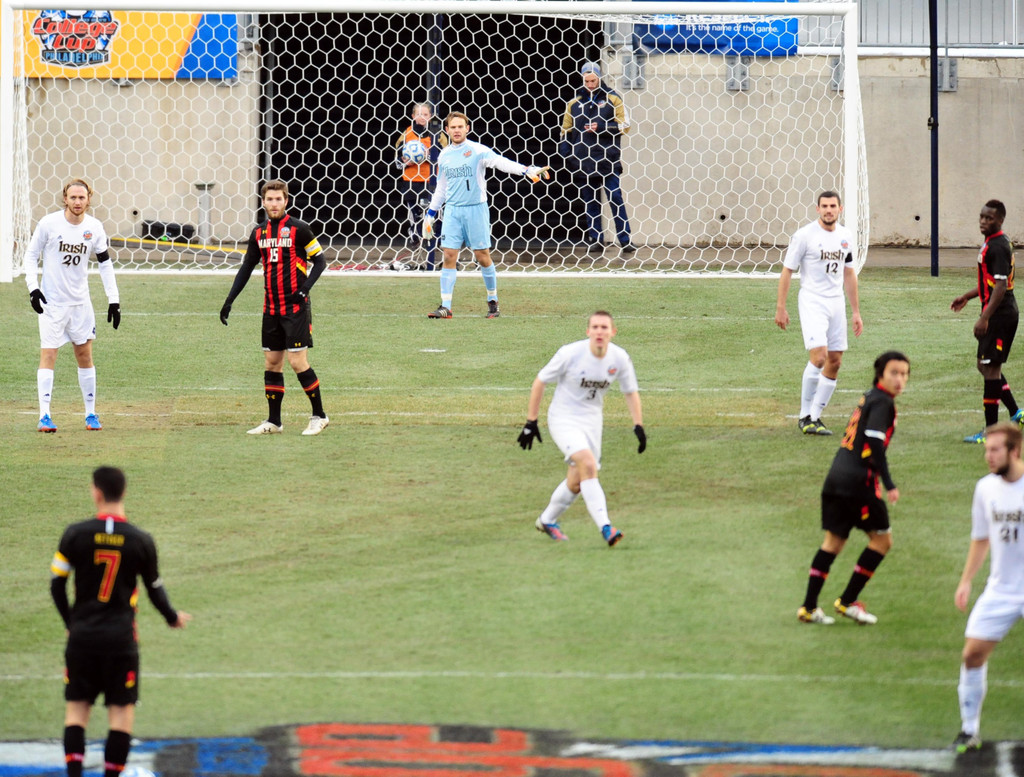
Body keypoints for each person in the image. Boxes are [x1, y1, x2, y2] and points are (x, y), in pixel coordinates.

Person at [49, 466, 190, 777]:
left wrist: (71, 622)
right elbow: (155, 589)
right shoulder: (140, 540)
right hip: (121, 641)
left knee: (76, 711)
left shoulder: (75, 534)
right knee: (121, 715)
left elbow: (56, 584)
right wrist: (172, 617)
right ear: (123, 492)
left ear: (96, 492)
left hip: (83, 638)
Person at [797, 350, 910, 626]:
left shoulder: (868, 397)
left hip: (836, 477)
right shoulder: (883, 402)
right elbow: (873, 446)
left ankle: (809, 608)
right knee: (882, 541)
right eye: (894, 372)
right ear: (880, 373)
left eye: (904, 374)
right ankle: (847, 602)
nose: (899, 379)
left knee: (833, 543)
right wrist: (890, 484)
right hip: (859, 483)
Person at [517, 310, 646, 547]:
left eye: (604, 328)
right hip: (563, 418)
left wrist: (638, 425)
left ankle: (547, 520)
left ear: (613, 332)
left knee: (577, 481)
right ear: (588, 331)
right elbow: (540, 380)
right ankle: (606, 527)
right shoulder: (570, 353)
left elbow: (630, 391)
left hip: (592, 421)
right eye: (595, 327)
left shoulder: (619, 358)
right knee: (587, 464)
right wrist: (530, 422)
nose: (599, 332)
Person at [219, 180, 330, 435]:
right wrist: (229, 300)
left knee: (297, 362)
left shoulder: (300, 229)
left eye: (278, 199)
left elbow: (321, 261)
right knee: (272, 363)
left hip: (295, 309)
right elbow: (247, 267)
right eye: (270, 199)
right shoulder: (259, 233)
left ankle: (319, 415)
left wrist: (304, 290)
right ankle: (274, 421)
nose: (274, 203)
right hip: (271, 308)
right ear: (263, 202)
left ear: (286, 201)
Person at [422, 111, 549, 319]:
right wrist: (431, 213)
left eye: (460, 126)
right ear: (447, 130)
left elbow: (501, 162)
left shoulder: (478, 151)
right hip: (453, 211)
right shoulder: (443, 155)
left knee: (482, 257)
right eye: (452, 127)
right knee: (448, 255)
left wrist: (526, 170)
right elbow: (442, 188)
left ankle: (492, 300)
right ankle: (446, 306)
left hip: (476, 210)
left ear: (467, 129)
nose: (456, 130)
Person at [24, 178, 120, 433]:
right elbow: (31, 255)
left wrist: (114, 299)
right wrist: (33, 288)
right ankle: (44, 416)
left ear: (89, 199)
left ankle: (90, 414)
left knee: (85, 356)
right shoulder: (49, 224)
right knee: (49, 354)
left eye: (82, 197)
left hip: (80, 304)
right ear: (64, 198)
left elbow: (104, 263)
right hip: (52, 303)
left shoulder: (94, 227)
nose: (77, 202)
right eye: (73, 197)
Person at [953, 422, 1024, 754]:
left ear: (1015, 451)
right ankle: (969, 730)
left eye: (995, 449)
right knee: (972, 654)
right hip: (1002, 590)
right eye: (986, 449)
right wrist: (966, 580)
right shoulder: (985, 489)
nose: (988, 456)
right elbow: (981, 537)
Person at [775, 190, 863, 436]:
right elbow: (787, 271)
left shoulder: (845, 236)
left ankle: (815, 416)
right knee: (820, 356)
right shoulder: (804, 236)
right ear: (817, 209)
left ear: (840, 209)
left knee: (835, 361)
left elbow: (849, 273)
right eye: (824, 206)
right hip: (812, 301)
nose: (828, 210)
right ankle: (804, 416)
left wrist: (855, 312)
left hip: (836, 303)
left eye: (832, 206)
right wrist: (781, 307)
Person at [951, 199, 1023, 444]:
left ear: (1000, 220)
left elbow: (1001, 286)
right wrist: (968, 296)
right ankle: (1015, 412)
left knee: (990, 368)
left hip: (1000, 315)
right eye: (982, 217)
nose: (983, 221)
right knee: (986, 366)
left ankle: (991, 432)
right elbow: (991, 281)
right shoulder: (992, 243)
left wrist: (984, 318)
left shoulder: (998, 246)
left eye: (989, 218)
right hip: (998, 312)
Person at [558, 62, 635, 255]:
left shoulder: (613, 99)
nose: (590, 84)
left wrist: (601, 128)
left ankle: (625, 240)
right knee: (590, 201)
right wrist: (567, 153)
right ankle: (596, 239)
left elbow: (625, 126)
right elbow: (565, 130)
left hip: (607, 160)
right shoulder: (574, 103)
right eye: (587, 81)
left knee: (615, 197)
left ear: (599, 78)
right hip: (583, 161)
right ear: (582, 79)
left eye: (593, 80)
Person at [394, 102, 445, 269]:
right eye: (418, 114)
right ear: (412, 116)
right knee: (414, 213)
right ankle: (415, 237)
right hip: (411, 180)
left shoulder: (438, 134)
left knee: (436, 214)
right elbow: (397, 160)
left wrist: (433, 157)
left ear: (430, 117)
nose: (421, 117)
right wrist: (405, 162)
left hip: (432, 180)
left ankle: (436, 241)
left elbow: (447, 154)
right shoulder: (406, 134)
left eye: (425, 114)